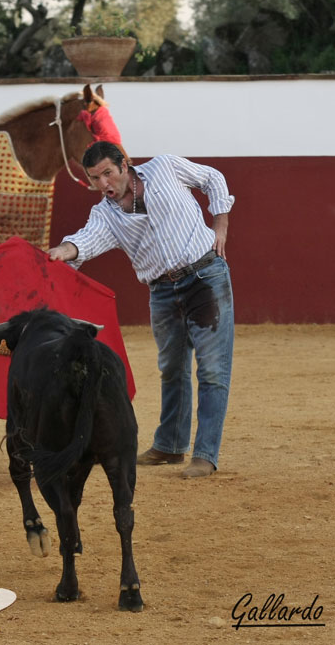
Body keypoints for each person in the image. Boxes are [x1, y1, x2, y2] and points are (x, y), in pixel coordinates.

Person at [49, 141, 234, 478]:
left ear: (125, 164)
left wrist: (219, 225)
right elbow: (87, 240)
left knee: (211, 370)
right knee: (172, 369)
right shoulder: (104, 214)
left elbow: (213, 178)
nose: (104, 183)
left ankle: (205, 455)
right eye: (95, 178)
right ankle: (171, 445)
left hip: (205, 276)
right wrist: (64, 250)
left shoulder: (164, 167)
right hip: (162, 291)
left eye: (108, 173)